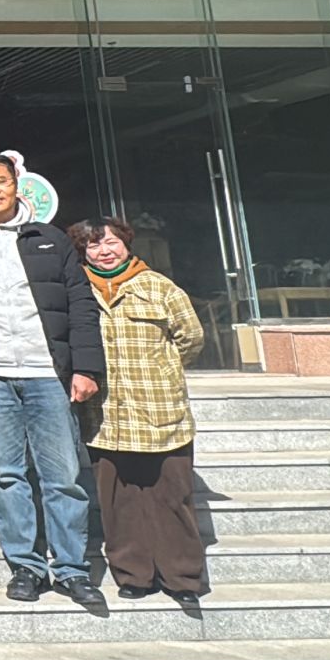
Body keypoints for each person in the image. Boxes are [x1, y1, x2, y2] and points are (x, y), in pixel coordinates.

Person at [0, 153, 106, 609]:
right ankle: (25, 566)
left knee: (62, 475)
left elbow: (80, 304)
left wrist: (86, 367)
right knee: (5, 474)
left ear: (16, 185)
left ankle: (71, 568)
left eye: (0, 181)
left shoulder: (49, 238)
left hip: (49, 372)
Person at [70, 215, 207, 606]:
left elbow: (191, 338)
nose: (104, 251)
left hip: (158, 410)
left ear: (126, 244)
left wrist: (162, 370)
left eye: (111, 242)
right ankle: (133, 574)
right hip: (106, 417)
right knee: (119, 501)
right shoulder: (79, 291)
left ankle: (182, 576)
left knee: (171, 497)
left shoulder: (158, 287)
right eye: (93, 245)